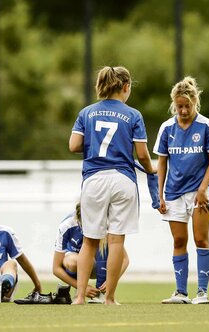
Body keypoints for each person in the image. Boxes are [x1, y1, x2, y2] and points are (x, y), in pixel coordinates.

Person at [69, 66, 155, 305]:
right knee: (117, 240)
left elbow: (74, 145)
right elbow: (142, 154)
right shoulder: (133, 115)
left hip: (94, 179)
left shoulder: (86, 113)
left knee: (89, 240)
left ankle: (79, 297)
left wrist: (93, 145)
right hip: (123, 180)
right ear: (126, 87)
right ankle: (110, 298)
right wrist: (150, 170)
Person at [154, 77, 209, 305]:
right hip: (173, 192)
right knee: (179, 240)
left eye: (187, 106)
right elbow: (161, 163)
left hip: (197, 192)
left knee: (201, 239)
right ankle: (181, 292)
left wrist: (203, 189)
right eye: (179, 106)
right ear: (174, 104)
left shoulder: (206, 126)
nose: (183, 110)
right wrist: (159, 195)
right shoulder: (166, 128)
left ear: (195, 103)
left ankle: (202, 292)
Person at [52, 202, 130, 304]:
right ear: (79, 220)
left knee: (106, 245)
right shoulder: (66, 226)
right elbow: (56, 268)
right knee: (72, 262)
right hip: (74, 262)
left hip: (97, 264)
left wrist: (111, 281)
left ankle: (102, 294)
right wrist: (82, 287)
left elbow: (124, 259)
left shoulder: (106, 224)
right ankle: (77, 292)